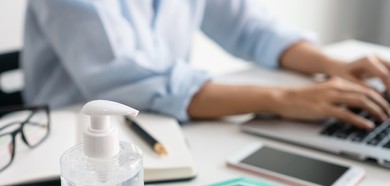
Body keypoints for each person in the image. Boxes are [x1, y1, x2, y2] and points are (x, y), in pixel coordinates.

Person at [23, 0, 390, 130]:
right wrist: (284, 98)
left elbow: (250, 28)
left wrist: (331, 64)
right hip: (69, 137)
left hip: (164, 124)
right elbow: (134, 81)